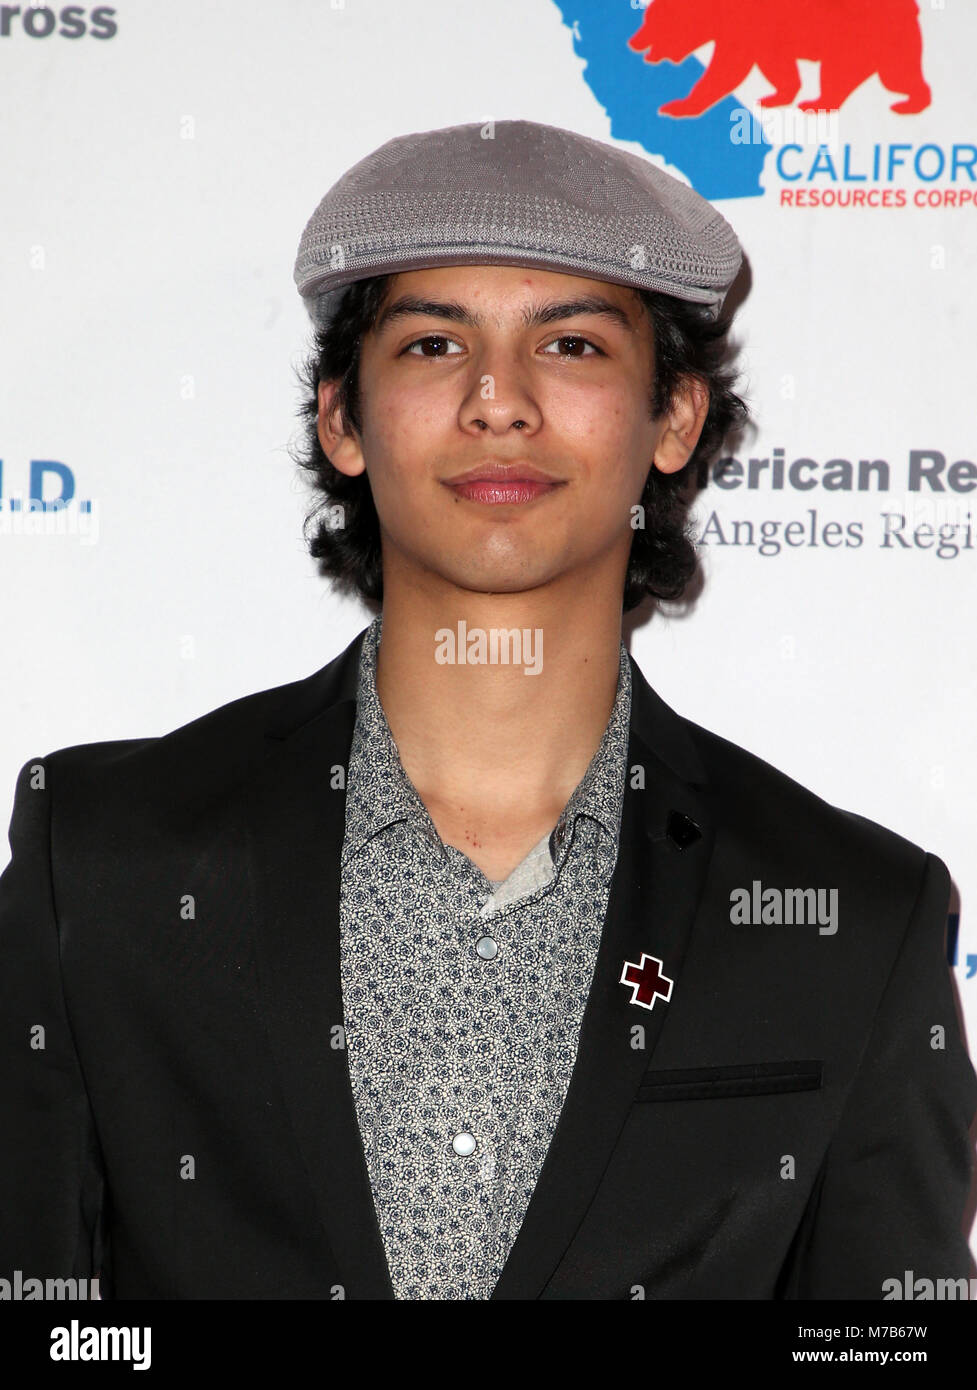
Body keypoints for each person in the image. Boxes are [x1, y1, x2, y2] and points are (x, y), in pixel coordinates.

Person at [1, 119, 974, 1301]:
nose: (497, 401)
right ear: (341, 420)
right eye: (428, 345)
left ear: (673, 419)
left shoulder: (850, 919)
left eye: (567, 343)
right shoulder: (105, 857)